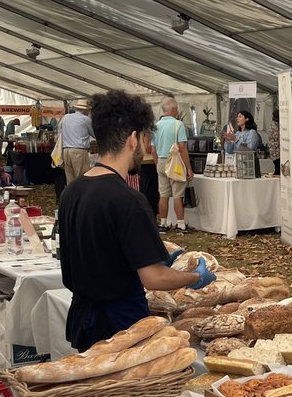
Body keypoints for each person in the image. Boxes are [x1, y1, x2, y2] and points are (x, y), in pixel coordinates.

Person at [58, 89, 216, 351]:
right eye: (145, 139)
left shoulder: (71, 191)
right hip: (122, 325)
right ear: (133, 138)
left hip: (84, 322)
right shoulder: (129, 199)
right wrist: (192, 278)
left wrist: (146, 254)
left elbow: (98, 252)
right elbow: (154, 279)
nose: (145, 148)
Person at [153, 96, 192, 232]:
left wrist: (157, 163)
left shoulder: (156, 126)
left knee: (163, 194)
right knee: (177, 194)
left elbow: (153, 149)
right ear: (174, 110)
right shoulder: (178, 125)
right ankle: (180, 224)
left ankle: (163, 223)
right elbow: (182, 148)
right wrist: (188, 168)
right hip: (175, 162)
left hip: (161, 161)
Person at [58, 100, 94, 185]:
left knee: (70, 179)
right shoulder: (86, 119)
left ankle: (71, 197)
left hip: (66, 150)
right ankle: (81, 197)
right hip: (79, 151)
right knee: (81, 178)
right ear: (85, 110)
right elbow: (94, 134)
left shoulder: (65, 117)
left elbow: (59, 132)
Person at [138, 128, 160, 217]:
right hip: (149, 163)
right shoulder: (147, 132)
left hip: (142, 162)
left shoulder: (138, 131)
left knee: (144, 190)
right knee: (151, 193)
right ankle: (151, 215)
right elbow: (148, 148)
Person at [268, 109, 281, 174]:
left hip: (274, 153)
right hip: (277, 152)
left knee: (277, 168)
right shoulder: (276, 126)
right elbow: (278, 139)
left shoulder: (273, 124)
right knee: (278, 169)